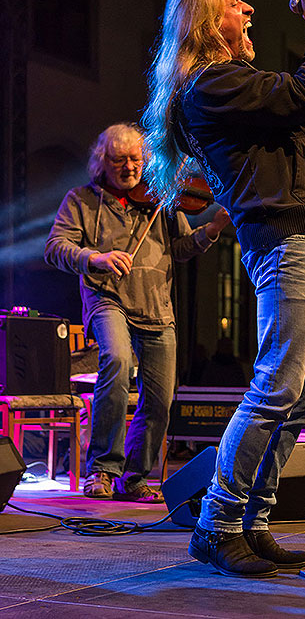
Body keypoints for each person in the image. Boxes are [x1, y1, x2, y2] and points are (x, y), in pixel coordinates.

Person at [142, 0, 305, 576]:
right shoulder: (211, 84)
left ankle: (253, 522)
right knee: (276, 389)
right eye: (238, 5)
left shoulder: (239, 83)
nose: (251, 11)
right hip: (288, 242)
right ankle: (216, 523)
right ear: (209, 24)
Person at [45, 123, 229, 502]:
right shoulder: (81, 200)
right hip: (107, 299)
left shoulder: (160, 198)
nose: (130, 167)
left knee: (160, 397)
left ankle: (134, 477)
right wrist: (94, 256)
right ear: (102, 162)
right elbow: (55, 247)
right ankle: (101, 469)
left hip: (157, 306)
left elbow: (179, 248)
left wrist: (210, 230)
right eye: (120, 160)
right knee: (116, 358)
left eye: (136, 159)